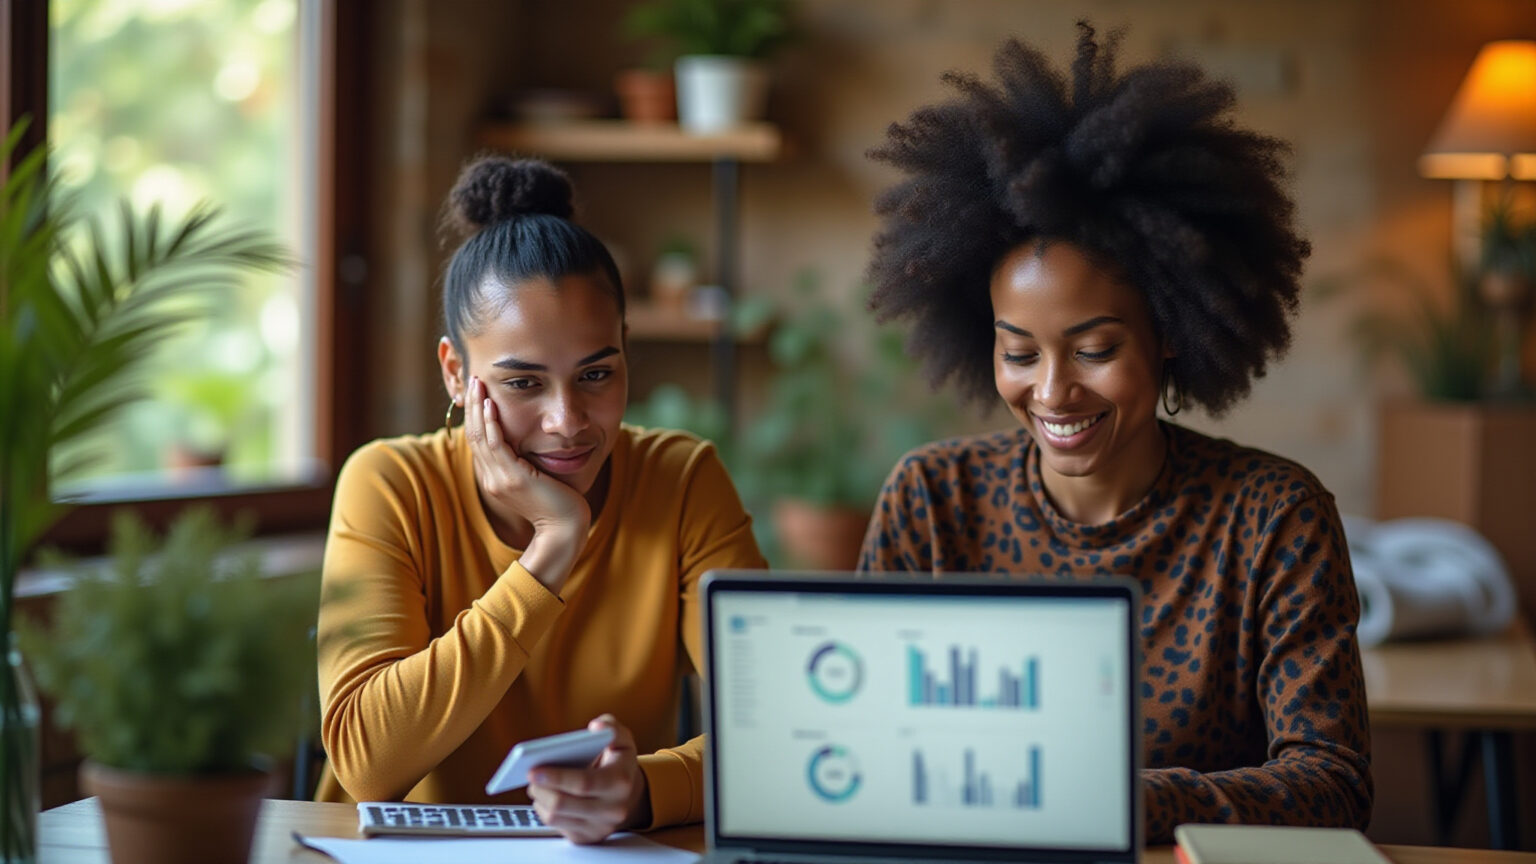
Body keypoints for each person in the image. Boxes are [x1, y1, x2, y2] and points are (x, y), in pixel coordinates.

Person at [857, 24, 1372, 842]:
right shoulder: (934, 500)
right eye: (1018, 352)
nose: (1051, 391)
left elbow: (1333, 781)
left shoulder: (1272, 518)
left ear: (1170, 331)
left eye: (1094, 350)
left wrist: (1126, 804)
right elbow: (868, 746)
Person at [315, 155, 767, 843]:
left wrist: (642, 789)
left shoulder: (681, 481)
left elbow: (775, 734)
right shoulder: (390, 484)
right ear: (456, 374)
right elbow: (366, 763)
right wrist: (552, 548)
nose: (568, 421)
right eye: (524, 383)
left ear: (625, 350)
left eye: (596, 374)